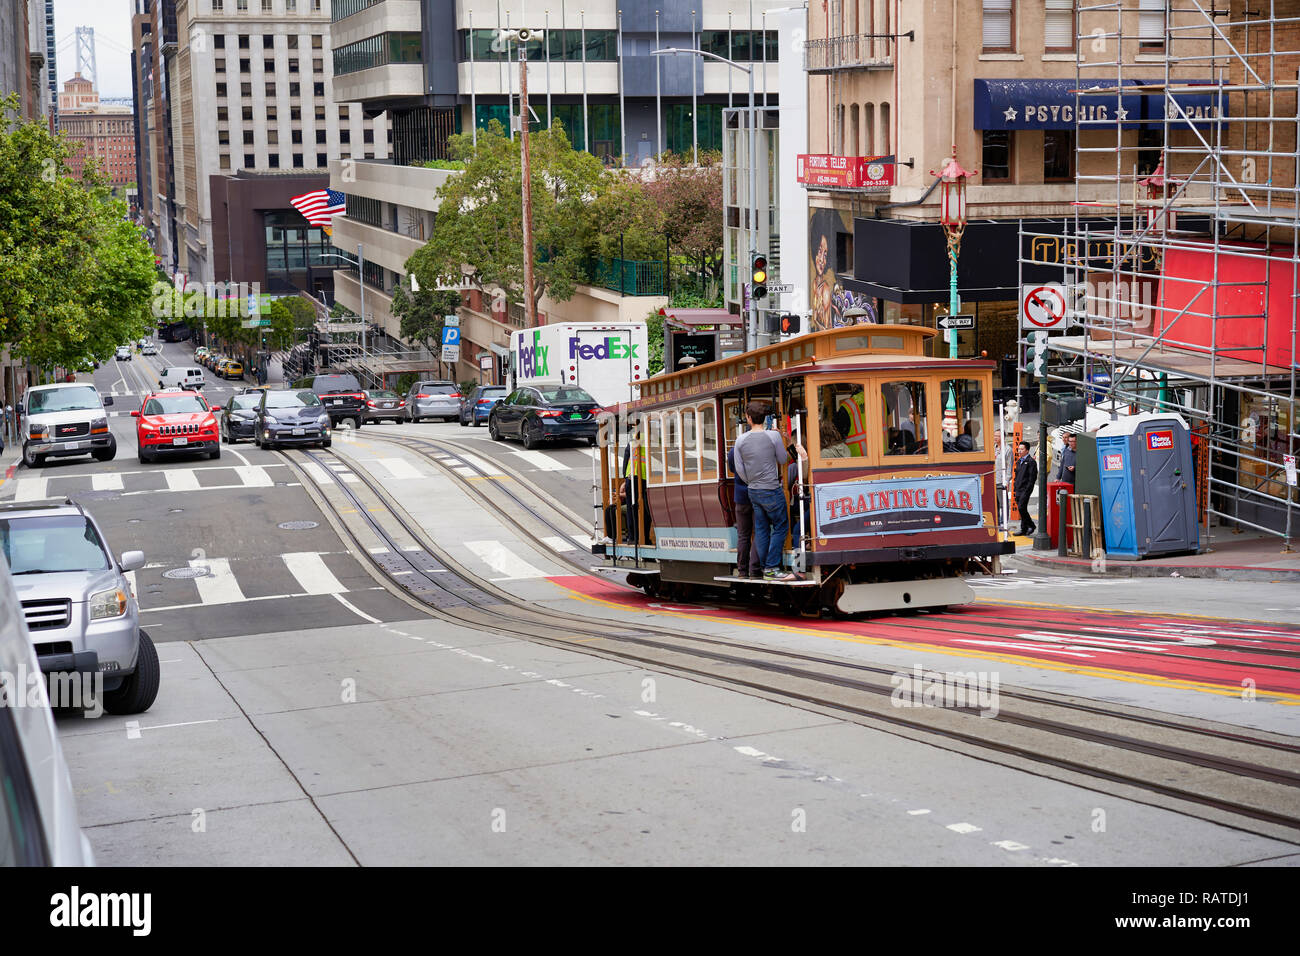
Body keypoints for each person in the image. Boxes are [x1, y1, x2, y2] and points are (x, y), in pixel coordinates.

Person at [732, 400, 797, 581]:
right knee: (781, 526)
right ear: (765, 418)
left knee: (761, 530)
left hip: (753, 490)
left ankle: (763, 567)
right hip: (771, 488)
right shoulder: (773, 437)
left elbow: (739, 469)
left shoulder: (740, 440)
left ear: (748, 418)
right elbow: (784, 459)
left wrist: (751, 481)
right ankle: (771, 567)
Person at [726, 445, 759, 578]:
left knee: (743, 535)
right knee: (758, 532)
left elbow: (732, 469)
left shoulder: (734, 450)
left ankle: (742, 571)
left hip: (740, 497)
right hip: (756, 494)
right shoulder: (757, 448)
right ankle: (755, 569)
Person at [1014, 440, 1038, 537]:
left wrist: (1027, 489)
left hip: (1025, 489)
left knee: (1021, 507)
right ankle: (1024, 528)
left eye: (1022, 449)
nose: (1019, 451)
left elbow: (1032, 478)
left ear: (1027, 450)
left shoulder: (1031, 462)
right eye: (1019, 449)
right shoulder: (1019, 461)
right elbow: (1017, 475)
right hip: (1018, 488)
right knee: (1021, 509)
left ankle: (1031, 525)